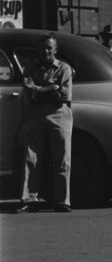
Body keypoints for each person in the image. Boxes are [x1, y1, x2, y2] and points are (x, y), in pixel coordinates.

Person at [17, 33, 74, 212]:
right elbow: (29, 93)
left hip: (59, 113)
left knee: (62, 158)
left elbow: (64, 95)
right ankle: (29, 199)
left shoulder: (64, 68)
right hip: (35, 114)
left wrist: (38, 90)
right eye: (42, 47)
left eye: (49, 48)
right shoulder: (30, 69)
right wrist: (50, 88)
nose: (46, 51)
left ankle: (62, 201)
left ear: (55, 50)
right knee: (31, 158)